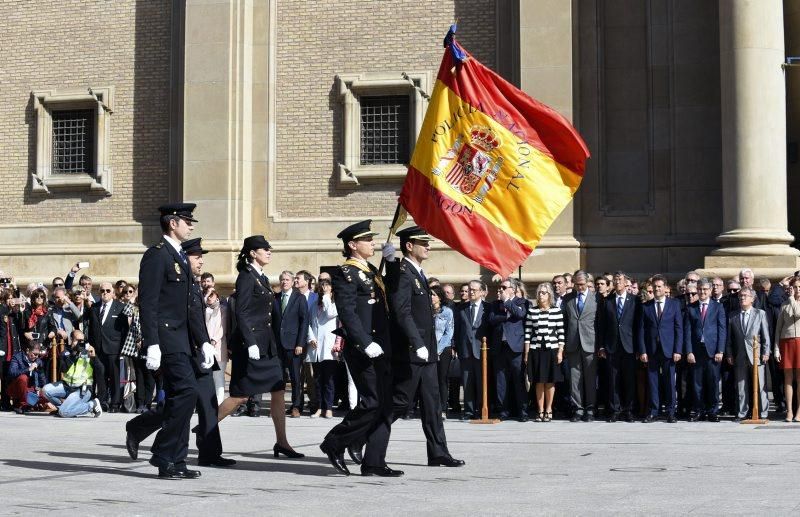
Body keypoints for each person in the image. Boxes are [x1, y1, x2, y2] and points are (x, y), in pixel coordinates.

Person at [320, 220, 399, 477]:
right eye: (367, 239)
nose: (372, 242)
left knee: (384, 403)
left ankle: (373, 460)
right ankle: (335, 442)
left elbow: (392, 294)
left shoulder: (372, 269)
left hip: (382, 344)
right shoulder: (346, 273)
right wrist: (364, 342)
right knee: (372, 401)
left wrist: (394, 263)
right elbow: (348, 312)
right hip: (363, 347)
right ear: (353, 245)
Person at [217, 235, 303, 459]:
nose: (269, 252)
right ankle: (205, 428)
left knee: (278, 389)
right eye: (265, 249)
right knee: (240, 396)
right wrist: (250, 342)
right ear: (253, 253)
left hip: (267, 346)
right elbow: (241, 312)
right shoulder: (246, 277)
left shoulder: (261, 278)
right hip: (252, 346)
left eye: (269, 248)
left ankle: (282, 442)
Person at [385, 225, 464, 468]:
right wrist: (389, 263)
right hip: (413, 351)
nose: (428, 246)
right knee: (399, 402)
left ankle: (438, 452)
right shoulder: (404, 272)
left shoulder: (417, 272)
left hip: (427, 352)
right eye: (423, 242)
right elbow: (401, 311)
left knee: (433, 403)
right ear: (409, 246)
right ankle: (359, 437)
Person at [135, 203, 201, 479]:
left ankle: (176, 459)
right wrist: (151, 342)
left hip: (182, 339)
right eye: (187, 221)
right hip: (166, 338)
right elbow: (148, 303)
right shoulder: (157, 256)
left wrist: (202, 341)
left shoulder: (180, 257)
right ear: (172, 223)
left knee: (180, 397)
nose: (191, 225)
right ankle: (163, 452)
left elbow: (187, 305)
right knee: (187, 392)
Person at [638, 274, 683, 423]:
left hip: (669, 350)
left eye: (659, 286)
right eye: (655, 287)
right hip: (651, 350)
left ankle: (671, 412)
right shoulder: (646, 306)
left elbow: (678, 328)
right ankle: (653, 411)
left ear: (665, 288)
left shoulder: (674, 304)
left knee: (670, 382)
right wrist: (643, 351)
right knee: (653, 382)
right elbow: (641, 330)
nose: (657, 289)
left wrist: (678, 350)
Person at [726, 287, 773, 421]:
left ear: (752, 299)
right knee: (741, 386)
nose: (742, 298)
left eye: (745, 296)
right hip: (739, 355)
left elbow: (765, 335)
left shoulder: (760, 314)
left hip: (756, 355)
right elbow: (729, 338)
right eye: (740, 296)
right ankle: (742, 413)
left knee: (760, 386)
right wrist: (729, 354)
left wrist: (765, 352)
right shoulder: (733, 315)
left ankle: (762, 413)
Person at [683, 279, 726, 422]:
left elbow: (722, 330)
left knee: (713, 383)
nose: (702, 292)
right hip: (697, 351)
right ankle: (699, 410)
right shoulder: (691, 308)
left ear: (710, 290)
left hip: (713, 351)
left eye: (705, 289)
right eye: (700, 289)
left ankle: (713, 411)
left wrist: (720, 350)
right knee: (697, 383)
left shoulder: (718, 307)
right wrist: (689, 351)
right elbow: (687, 332)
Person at [599, 271, 640, 422]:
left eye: (620, 280)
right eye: (615, 280)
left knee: (629, 380)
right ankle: (615, 410)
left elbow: (637, 326)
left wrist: (639, 348)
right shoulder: (607, 301)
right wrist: (602, 346)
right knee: (613, 379)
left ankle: (628, 409)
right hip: (612, 346)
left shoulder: (634, 301)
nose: (617, 282)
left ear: (625, 283)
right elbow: (601, 325)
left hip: (629, 346)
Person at [561, 271, 600, 422]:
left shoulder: (597, 298)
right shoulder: (568, 298)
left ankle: (590, 408)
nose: (580, 287)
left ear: (588, 282)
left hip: (590, 343)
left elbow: (599, 323)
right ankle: (577, 408)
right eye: (577, 284)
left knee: (590, 378)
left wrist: (600, 346)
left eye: (582, 284)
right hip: (573, 343)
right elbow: (564, 323)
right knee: (574, 378)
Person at [488, 277, 528, 422]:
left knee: (518, 380)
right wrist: (507, 314)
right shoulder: (494, 304)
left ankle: (522, 411)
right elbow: (492, 319)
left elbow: (520, 314)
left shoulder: (521, 302)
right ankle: (503, 411)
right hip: (499, 346)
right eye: (500, 287)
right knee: (501, 381)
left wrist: (507, 302)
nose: (500, 290)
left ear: (513, 289)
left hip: (515, 346)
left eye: (504, 287)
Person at [523, 282, 565, 422]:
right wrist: (527, 353)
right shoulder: (532, 311)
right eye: (539, 292)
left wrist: (560, 351)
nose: (541, 295)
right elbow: (528, 333)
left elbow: (561, 333)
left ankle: (549, 409)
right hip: (536, 350)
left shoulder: (556, 311)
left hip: (551, 350)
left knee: (550, 381)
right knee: (538, 381)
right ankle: (540, 410)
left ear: (550, 295)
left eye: (544, 292)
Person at [41, 329, 102, 417]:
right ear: (71, 340)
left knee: (64, 413)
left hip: (82, 390)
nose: (80, 343)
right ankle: (63, 408)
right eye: (77, 340)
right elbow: (63, 369)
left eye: (82, 341)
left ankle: (91, 405)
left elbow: (101, 371)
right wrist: (74, 354)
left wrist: (94, 357)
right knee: (45, 390)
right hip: (67, 387)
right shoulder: (65, 353)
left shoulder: (88, 352)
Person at [274, 270, 309, 417]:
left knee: (295, 377)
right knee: (279, 377)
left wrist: (300, 343)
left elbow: (304, 322)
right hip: (277, 345)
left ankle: (296, 406)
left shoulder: (299, 298)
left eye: (287, 279)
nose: (284, 282)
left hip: (294, 344)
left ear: (292, 281)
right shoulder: (275, 298)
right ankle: (280, 406)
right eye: (282, 279)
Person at [453, 280, 490, 420]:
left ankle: (482, 409)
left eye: (474, 290)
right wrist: (455, 346)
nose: (471, 292)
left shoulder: (488, 308)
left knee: (482, 382)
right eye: (470, 289)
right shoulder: (461, 308)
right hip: (465, 351)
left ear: (482, 292)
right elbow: (457, 329)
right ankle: (468, 411)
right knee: (467, 381)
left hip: (482, 351)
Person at [91, 281, 129, 412]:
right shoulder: (94, 307)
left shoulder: (120, 307)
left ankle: (115, 403)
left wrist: (123, 348)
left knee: (114, 377)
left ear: (113, 293)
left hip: (114, 348)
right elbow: (91, 329)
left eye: (108, 290)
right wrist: (90, 345)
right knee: (100, 376)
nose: (105, 293)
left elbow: (125, 329)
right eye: (102, 291)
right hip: (98, 349)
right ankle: (102, 402)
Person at [306, 276, 339, 419]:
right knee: (317, 379)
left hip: (329, 346)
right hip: (316, 347)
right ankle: (319, 407)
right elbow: (309, 323)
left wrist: (326, 297)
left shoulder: (334, 304)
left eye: (327, 285)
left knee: (329, 380)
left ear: (331, 288)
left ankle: (329, 407)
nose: (323, 287)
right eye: (322, 286)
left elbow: (330, 313)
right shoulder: (314, 305)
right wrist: (311, 338)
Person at [774, 276, 800, 421]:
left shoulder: (790, 302)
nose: (797, 290)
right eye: (795, 287)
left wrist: (791, 299)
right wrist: (776, 348)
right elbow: (778, 329)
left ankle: (799, 411)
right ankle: (789, 410)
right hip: (786, 342)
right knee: (788, 379)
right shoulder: (784, 305)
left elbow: (797, 313)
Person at [431, 284, 454, 420]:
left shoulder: (447, 312)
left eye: (434, 294)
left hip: (443, 350)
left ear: (439, 297)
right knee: (429, 380)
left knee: (442, 379)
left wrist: (438, 350)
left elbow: (448, 333)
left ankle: (442, 409)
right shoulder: (425, 310)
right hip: (428, 349)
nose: (431, 297)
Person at [7, 340, 49, 413]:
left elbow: (42, 378)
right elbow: (12, 373)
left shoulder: (38, 361)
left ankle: (32, 403)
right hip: (16, 389)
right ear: (27, 350)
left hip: (31, 389)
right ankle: (23, 405)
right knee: (23, 378)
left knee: (49, 394)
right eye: (34, 354)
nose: (36, 356)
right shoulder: (17, 357)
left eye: (38, 354)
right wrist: (28, 369)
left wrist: (42, 389)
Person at [204, 288, 228, 404]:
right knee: (206, 377)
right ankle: (208, 401)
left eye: (211, 295)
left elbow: (223, 327)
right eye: (207, 295)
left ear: (217, 297)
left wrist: (214, 340)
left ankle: (219, 401)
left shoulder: (222, 309)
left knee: (218, 376)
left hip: (218, 346)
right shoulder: (205, 310)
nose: (209, 297)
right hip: (205, 347)